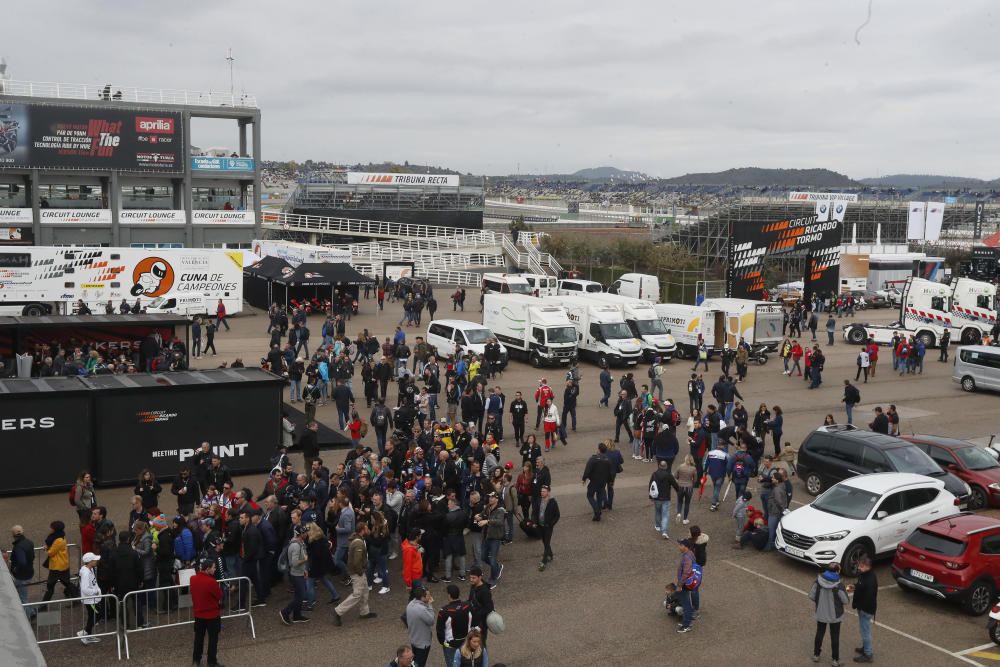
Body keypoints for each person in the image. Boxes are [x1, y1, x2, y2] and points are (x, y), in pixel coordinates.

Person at [333, 521, 377, 625]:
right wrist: (360, 572)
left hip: (359, 571)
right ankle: (338, 611)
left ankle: (364, 612)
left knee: (365, 591)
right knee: (357, 594)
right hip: (357, 572)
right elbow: (356, 561)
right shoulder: (358, 542)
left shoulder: (357, 539)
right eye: (366, 528)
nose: (368, 530)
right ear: (362, 530)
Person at [810, 563, 850, 666]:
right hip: (835, 616)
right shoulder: (839, 585)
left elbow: (812, 595)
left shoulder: (818, 581)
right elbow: (845, 601)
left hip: (821, 612)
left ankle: (816, 655)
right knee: (835, 637)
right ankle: (835, 660)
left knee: (820, 633)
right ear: (837, 571)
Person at [191, 557, 224, 667]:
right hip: (212, 615)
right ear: (208, 568)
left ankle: (196, 660)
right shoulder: (211, 582)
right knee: (213, 640)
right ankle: (211, 662)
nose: (215, 569)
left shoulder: (193, 579)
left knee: (198, 639)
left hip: (199, 614)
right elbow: (219, 595)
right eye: (214, 568)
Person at [279, 525, 310, 625]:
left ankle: (297, 615)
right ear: (300, 534)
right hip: (296, 575)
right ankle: (285, 612)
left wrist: (304, 569)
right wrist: (304, 560)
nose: (306, 534)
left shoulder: (300, 542)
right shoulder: (295, 546)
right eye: (304, 532)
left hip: (299, 573)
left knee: (299, 595)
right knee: (300, 596)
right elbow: (294, 563)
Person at [849, 556, 878, 663]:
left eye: (861, 566)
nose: (859, 568)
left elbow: (868, 597)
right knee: (864, 630)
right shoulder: (866, 575)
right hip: (864, 608)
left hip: (865, 609)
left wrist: (859, 607)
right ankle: (865, 648)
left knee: (865, 632)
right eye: (859, 565)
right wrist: (855, 586)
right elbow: (861, 585)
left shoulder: (869, 580)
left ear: (868, 566)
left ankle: (868, 654)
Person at [43, 520, 79, 601]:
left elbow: (51, 553)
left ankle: (44, 604)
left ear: (55, 529)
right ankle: (76, 597)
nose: (50, 529)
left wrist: (46, 549)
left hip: (57, 566)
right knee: (66, 583)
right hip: (62, 565)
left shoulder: (58, 540)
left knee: (50, 585)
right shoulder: (61, 536)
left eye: (51, 527)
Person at [437, 584, 472, 667]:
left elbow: (439, 630)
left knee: (452, 664)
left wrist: (442, 642)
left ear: (449, 595)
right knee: (466, 663)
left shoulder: (444, 611)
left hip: (450, 644)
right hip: (466, 641)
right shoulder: (468, 605)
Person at [75, 552, 102, 645]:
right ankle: (85, 633)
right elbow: (85, 589)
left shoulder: (89, 569)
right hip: (90, 599)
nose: (96, 560)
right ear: (90, 562)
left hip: (91, 599)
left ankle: (87, 635)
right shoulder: (86, 572)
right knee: (97, 615)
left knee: (92, 616)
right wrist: (96, 592)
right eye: (94, 559)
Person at [581, 442, 613, 521]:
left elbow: (587, 470)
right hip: (603, 482)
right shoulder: (608, 460)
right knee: (599, 496)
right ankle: (597, 514)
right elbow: (610, 472)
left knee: (590, 495)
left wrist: (584, 478)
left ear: (598, 450)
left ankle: (597, 511)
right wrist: (610, 481)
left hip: (594, 481)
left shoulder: (593, 459)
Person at [649, 459, 681, 538]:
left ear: (659, 466)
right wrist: (678, 491)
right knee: (665, 515)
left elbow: (651, 485)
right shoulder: (668, 475)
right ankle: (664, 531)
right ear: (666, 466)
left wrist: (651, 496)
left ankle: (657, 525)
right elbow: (675, 485)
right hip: (666, 497)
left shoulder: (654, 474)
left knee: (657, 512)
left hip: (657, 497)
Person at [532, 484, 560, 569]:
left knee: (547, 542)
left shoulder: (553, 502)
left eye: (544, 491)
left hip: (548, 527)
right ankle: (550, 555)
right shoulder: (538, 500)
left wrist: (551, 524)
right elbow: (534, 512)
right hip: (540, 525)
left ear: (548, 492)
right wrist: (534, 522)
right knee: (545, 542)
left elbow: (557, 515)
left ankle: (544, 561)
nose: (542, 493)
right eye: (541, 491)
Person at [406, 587, 435, 667]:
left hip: (414, 639)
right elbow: (431, 621)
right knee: (419, 664)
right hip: (423, 643)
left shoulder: (411, 604)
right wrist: (430, 605)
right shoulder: (421, 609)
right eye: (428, 595)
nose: (430, 597)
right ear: (422, 597)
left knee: (414, 662)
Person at [467, 566, 495, 647]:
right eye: (470, 577)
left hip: (481, 623)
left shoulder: (485, 591)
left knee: (481, 644)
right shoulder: (473, 585)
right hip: (474, 621)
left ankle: (483, 659)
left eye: (474, 578)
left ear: (480, 577)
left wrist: (476, 614)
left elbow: (489, 607)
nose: (471, 579)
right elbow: (470, 599)